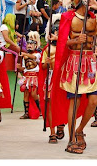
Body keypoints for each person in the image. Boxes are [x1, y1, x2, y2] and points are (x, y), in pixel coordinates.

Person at [49, 0, 97, 154]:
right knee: (76, 101)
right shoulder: (67, 17)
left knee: (95, 100)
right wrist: (75, 40)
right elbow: (63, 43)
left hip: (90, 62)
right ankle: (71, 139)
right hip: (74, 62)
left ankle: (79, 131)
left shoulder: (96, 18)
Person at [38, 13, 66, 143]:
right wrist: (47, 63)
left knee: (61, 103)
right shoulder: (46, 49)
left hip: (62, 78)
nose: (55, 34)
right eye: (54, 32)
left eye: (58, 32)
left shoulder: (67, 47)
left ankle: (61, 123)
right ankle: (52, 132)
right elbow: (43, 67)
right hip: (50, 78)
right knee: (49, 103)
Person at [17, 31, 42, 119]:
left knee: (34, 94)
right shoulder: (24, 56)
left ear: (36, 45)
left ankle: (40, 109)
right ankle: (26, 112)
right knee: (26, 94)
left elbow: (34, 58)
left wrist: (24, 54)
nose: (29, 45)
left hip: (35, 76)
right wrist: (18, 68)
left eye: (32, 44)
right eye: (28, 44)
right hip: (26, 76)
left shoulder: (38, 54)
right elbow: (24, 68)